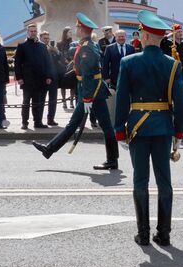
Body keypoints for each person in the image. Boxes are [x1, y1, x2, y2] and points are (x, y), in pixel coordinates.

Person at [114, 10, 183, 246]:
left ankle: (143, 233)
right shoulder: (173, 65)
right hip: (163, 127)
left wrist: (118, 128)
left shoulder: (128, 62)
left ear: (144, 36)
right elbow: (181, 101)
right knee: (164, 181)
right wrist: (179, 130)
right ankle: (164, 233)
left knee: (140, 180)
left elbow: (122, 100)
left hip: (138, 127)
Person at [34, 13, 119, 171]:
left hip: (90, 92)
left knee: (88, 125)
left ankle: (112, 160)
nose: (76, 29)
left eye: (78, 27)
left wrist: (86, 98)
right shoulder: (87, 44)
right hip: (93, 91)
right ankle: (49, 149)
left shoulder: (87, 48)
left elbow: (88, 74)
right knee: (101, 126)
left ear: (82, 29)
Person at [14, 22, 55, 129]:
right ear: (28, 32)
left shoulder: (42, 46)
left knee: (38, 103)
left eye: (35, 31)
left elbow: (48, 62)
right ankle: (24, 122)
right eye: (31, 31)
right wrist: (19, 78)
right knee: (26, 103)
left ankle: (38, 122)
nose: (33, 33)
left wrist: (49, 76)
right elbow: (17, 63)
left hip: (40, 80)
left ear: (37, 32)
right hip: (27, 80)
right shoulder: (22, 46)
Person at [38, 30, 61, 127]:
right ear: (40, 39)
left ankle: (51, 119)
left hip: (53, 78)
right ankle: (38, 120)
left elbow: (59, 60)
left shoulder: (52, 49)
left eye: (48, 38)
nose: (47, 40)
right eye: (45, 38)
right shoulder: (38, 48)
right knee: (41, 100)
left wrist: (56, 51)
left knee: (53, 100)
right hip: (42, 79)